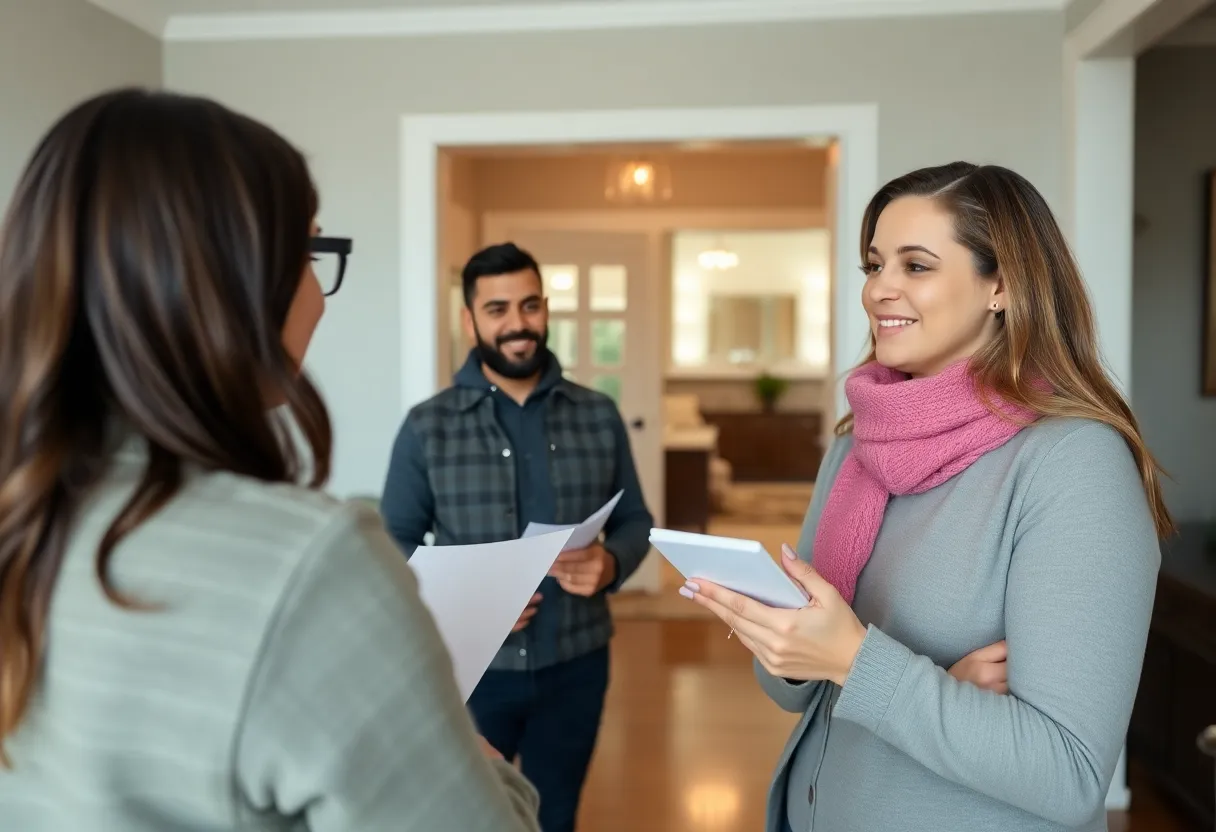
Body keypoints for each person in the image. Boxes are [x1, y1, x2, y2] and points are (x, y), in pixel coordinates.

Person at [0, 88, 540, 832]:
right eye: (311, 252)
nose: (319, 294)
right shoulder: (309, 564)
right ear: (234, 282)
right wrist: (479, 767)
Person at [680, 162, 1171, 832]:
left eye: (915, 266)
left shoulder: (1072, 463)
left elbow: (1067, 774)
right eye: (874, 264)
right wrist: (792, 640)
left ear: (1001, 284)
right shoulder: (856, 444)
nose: (879, 288)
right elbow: (797, 692)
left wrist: (856, 660)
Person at [381, 242, 654, 832]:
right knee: (468, 819)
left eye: (529, 306)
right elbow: (393, 541)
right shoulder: (427, 427)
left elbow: (638, 521)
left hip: (577, 663)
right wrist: (466, 593)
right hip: (468, 669)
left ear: (546, 309)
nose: (517, 324)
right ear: (469, 319)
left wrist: (610, 563)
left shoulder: (598, 414)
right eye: (498, 309)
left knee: (555, 816)